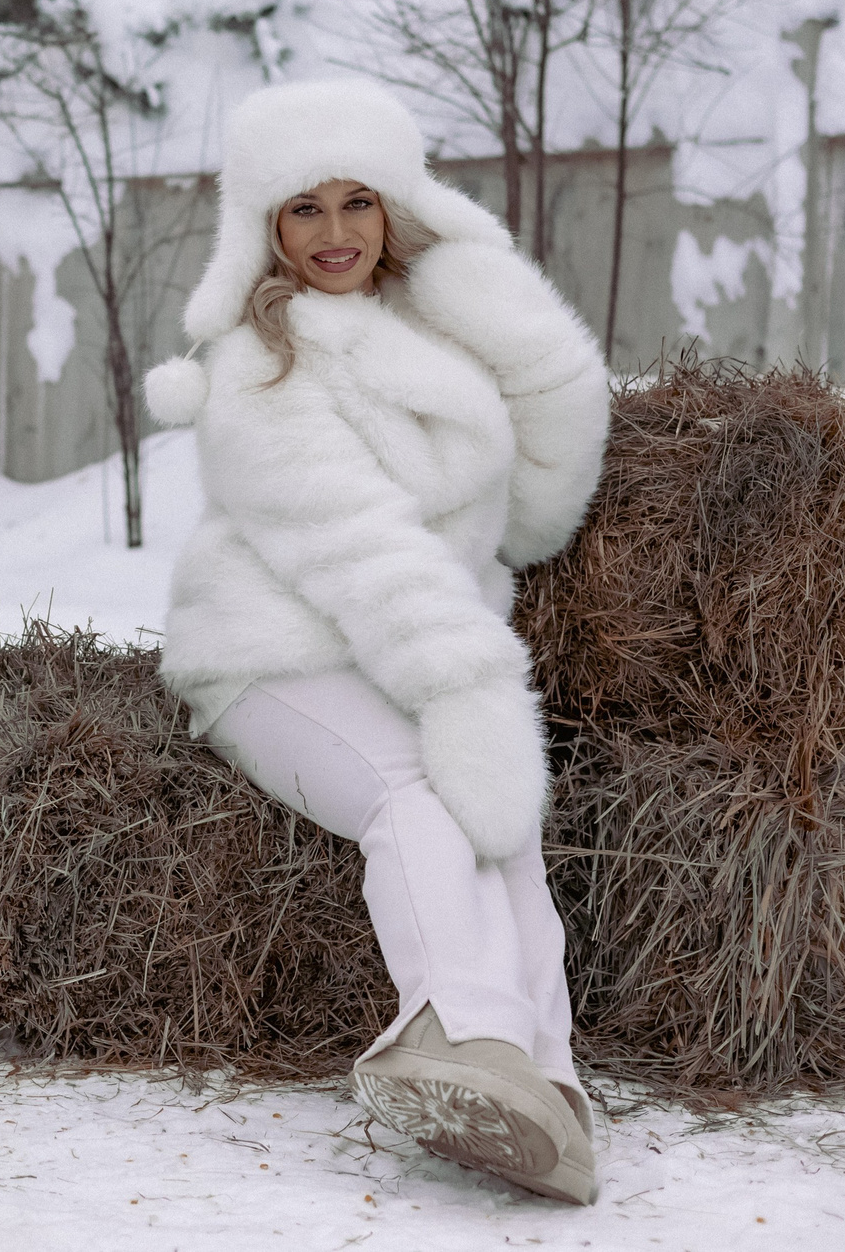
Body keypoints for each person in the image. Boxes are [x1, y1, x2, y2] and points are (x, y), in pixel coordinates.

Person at [144, 78, 610, 1205]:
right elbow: (358, 551)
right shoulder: (259, 366)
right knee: (418, 789)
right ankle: (451, 1035)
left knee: (505, 832)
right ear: (264, 228)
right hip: (272, 655)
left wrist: (520, 330)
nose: (337, 232)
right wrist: (465, 688)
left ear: (401, 207)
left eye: (360, 201)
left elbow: (536, 516)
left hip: (398, 649)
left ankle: (544, 1091)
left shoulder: (429, 334)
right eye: (304, 209)